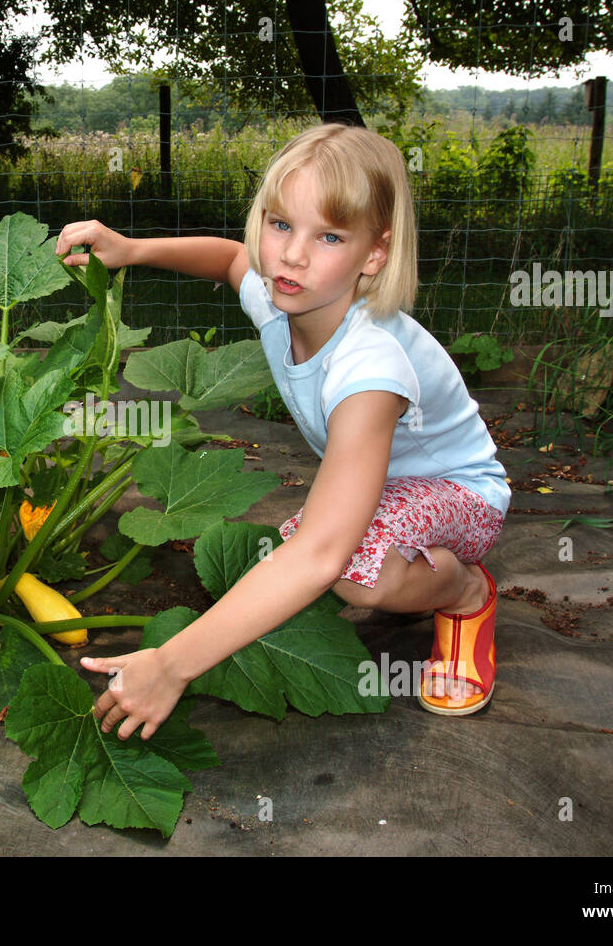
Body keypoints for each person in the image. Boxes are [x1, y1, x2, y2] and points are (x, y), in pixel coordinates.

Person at [51, 121, 508, 740]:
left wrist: (171, 663)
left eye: (330, 236)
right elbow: (231, 258)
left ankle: (462, 592)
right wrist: (132, 248)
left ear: (375, 252)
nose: (292, 254)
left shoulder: (370, 369)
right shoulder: (283, 292)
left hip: (462, 493)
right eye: (281, 224)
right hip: (391, 490)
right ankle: (419, 567)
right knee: (329, 552)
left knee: (348, 566)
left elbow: (321, 554)